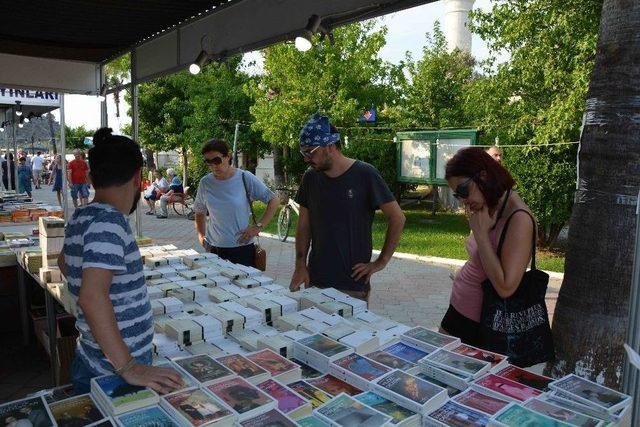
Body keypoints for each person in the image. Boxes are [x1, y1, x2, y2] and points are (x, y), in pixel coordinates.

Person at [58, 128, 183, 394]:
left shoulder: (82, 215)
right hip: (115, 371)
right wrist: (128, 366)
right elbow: (91, 298)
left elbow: (64, 263)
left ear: (91, 177)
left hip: (93, 356)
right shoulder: (110, 222)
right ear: (139, 177)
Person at [289, 113, 405, 301]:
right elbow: (304, 225)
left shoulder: (365, 174)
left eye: (310, 152)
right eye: (304, 153)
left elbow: (397, 217)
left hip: (353, 284)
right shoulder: (310, 177)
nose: (306, 159)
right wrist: (300, 265)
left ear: (330, 146)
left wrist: (380, 262)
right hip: (316, 279)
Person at [440, 147, 534, 346]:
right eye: (458, 196)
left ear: (483, 176)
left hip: (481, 324)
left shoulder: (518, 218)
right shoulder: (489, 206)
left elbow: (506, 287)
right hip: (459, 310)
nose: (463, 201)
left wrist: (481, 235)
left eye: (463, 191)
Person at [193, 139, 279, 266]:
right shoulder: (205, 183)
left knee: (243, 285)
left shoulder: (244, 177)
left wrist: (258, 227)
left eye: (216, 160)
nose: (213, 166)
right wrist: (201, 237)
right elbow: (199, 211)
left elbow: (274, 200)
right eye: (208, 162)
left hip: (242, 249)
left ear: (228, 156)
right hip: (214, 248)